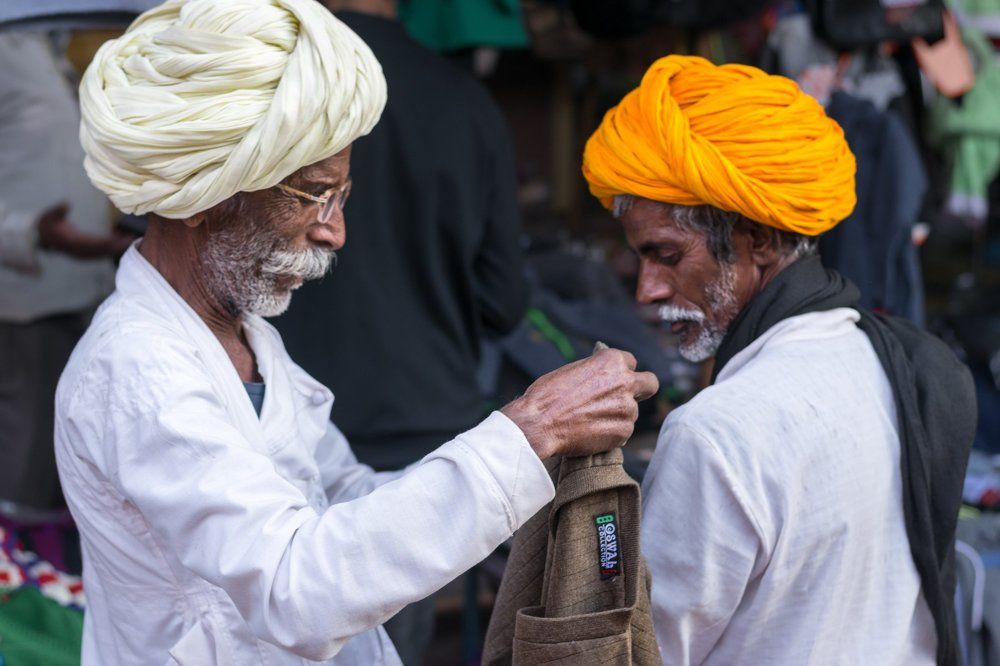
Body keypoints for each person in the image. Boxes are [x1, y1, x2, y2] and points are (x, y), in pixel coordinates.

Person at [54, 1, 658, 664]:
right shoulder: (139, 374)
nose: (334, 231)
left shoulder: (246, 337)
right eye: (313, 195)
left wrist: (532, 456)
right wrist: (525, 431)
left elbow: (344, 498)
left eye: (341, 197)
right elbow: (295, 589)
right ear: (205, 197)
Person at [581, 55, 975, 665]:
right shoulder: (888, 358)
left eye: (665, 255)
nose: (647, 290)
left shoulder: (715, 435)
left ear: (758, 240)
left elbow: (638, 654)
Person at [273, 2, 526, 661]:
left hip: (287, 412)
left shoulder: (280, 89)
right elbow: (504, 301)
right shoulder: (462, 102)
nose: (332, 230)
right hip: (416, 417)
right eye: (318, 197)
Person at [0, 30, 131, 523]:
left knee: (72, 464)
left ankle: (50, 587)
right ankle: (16, 594)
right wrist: (32, 232)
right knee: (26, 468)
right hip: (26, 303)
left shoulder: (46, 42)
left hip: (83, 290)